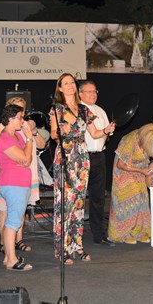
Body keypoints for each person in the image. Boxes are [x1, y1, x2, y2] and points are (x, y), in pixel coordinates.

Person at [49, 73, 115, 264]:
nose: (70, 86)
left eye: (72, 83)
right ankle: (63, 249)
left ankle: (78, 246)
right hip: (66, 156)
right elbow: (54, 134)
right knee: (65, 204)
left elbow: (94, 133)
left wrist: (107, 130)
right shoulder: (57, 109)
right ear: (60, 88)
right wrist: (62, 131)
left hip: (82, 156)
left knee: (78, 203)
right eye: (66, 83)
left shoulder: (84, 110)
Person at [0, 97, 45, 255]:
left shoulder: (25, 126)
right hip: (9, 171)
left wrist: (33, 132)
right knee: (5, 208)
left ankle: (18, 240)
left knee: (21, 207)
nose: (21, 112)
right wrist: (8, 161)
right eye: (17, 108)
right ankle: (4, 242)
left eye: (23, 109)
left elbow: (42, 145)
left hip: (25, 171)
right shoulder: (3, 127)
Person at [0, 105, 36, 271]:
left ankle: (8, 257)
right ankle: (12, 260)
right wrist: (29, 139)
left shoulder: (15, 137)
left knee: (13, 220)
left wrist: (26, 141)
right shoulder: (5, 138)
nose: (22, 121)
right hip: (13, 183)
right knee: (13, 221)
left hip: (18, 183)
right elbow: (26, 160)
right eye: (19, 117)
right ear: (10, 119)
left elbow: (28, 158)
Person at [108, 123, 153, 244]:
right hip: (124, 173)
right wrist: (141, 171)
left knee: (142, 198)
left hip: (140, 173)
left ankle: (139, 231)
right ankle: (124, 233)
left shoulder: (147, 140)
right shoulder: (130, 140)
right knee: (131, 197)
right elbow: (121, 164)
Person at [79, 80, 114, 247]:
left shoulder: (100, 111)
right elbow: (94, 134)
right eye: (89, 91)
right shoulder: (78, 109)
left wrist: (106, 134)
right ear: (80, 93)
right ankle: (74, 235)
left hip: (99, 156)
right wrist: (106, 131)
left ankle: (99, 234)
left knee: (98, 197)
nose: (93, 94)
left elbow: (106, 133)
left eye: (95, 91)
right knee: (78, 198)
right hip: (81, 158)